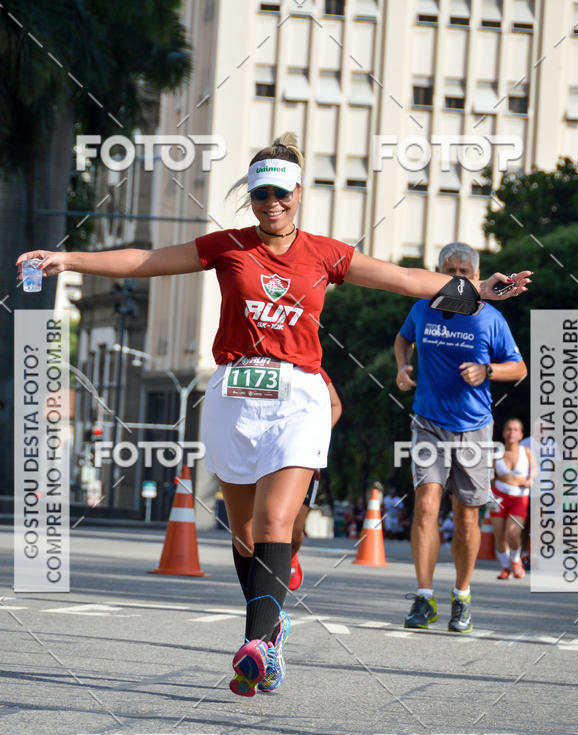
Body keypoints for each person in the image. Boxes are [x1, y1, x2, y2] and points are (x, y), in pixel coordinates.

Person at [18, 137, 530, 695]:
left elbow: (405, 279)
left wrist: (473, 291)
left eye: (281, 193)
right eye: (261, 193)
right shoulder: (227, 246)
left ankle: (256, 645)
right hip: (233, 394)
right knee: (241, 535)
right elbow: (146, 261)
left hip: (298, 397)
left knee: (273, 524)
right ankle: (272, 631)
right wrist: (66, 259)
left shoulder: (323, 253)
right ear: (253, 195)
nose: (272, 203)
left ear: (298, 194)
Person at [395, 241, 529, 633]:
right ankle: (423, 598)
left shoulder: (491, 319)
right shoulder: (422, 308)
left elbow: (519, 367)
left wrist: (486, 371)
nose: (455, 280)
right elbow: (403, 339)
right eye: (448, 273)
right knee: (426, 504)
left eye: (463, 273)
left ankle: (462, 595)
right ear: (438, 274)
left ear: (476, 276)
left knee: (467, 515)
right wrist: (403, 368)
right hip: (428, 422)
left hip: (473, 427)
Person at [289, 369, 342, 590]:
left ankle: (291, 555)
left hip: (303, 453)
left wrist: (319, 433)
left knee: (294, 528)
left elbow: (335, 405)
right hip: (266, 452)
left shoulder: (313, 368)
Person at [491, 418, 536, 579]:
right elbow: (489, 475)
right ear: (503, 433)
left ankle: (516, 560)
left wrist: (531, 479)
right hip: (499, 496)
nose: (511, 433)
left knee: (512, 532)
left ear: (521, 434)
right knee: (499, 535)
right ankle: (505, 568)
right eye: (508, 429)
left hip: (519, 497)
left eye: (515, 430)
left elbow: (534, 469)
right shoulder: (496, 453)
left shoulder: (527, 452)